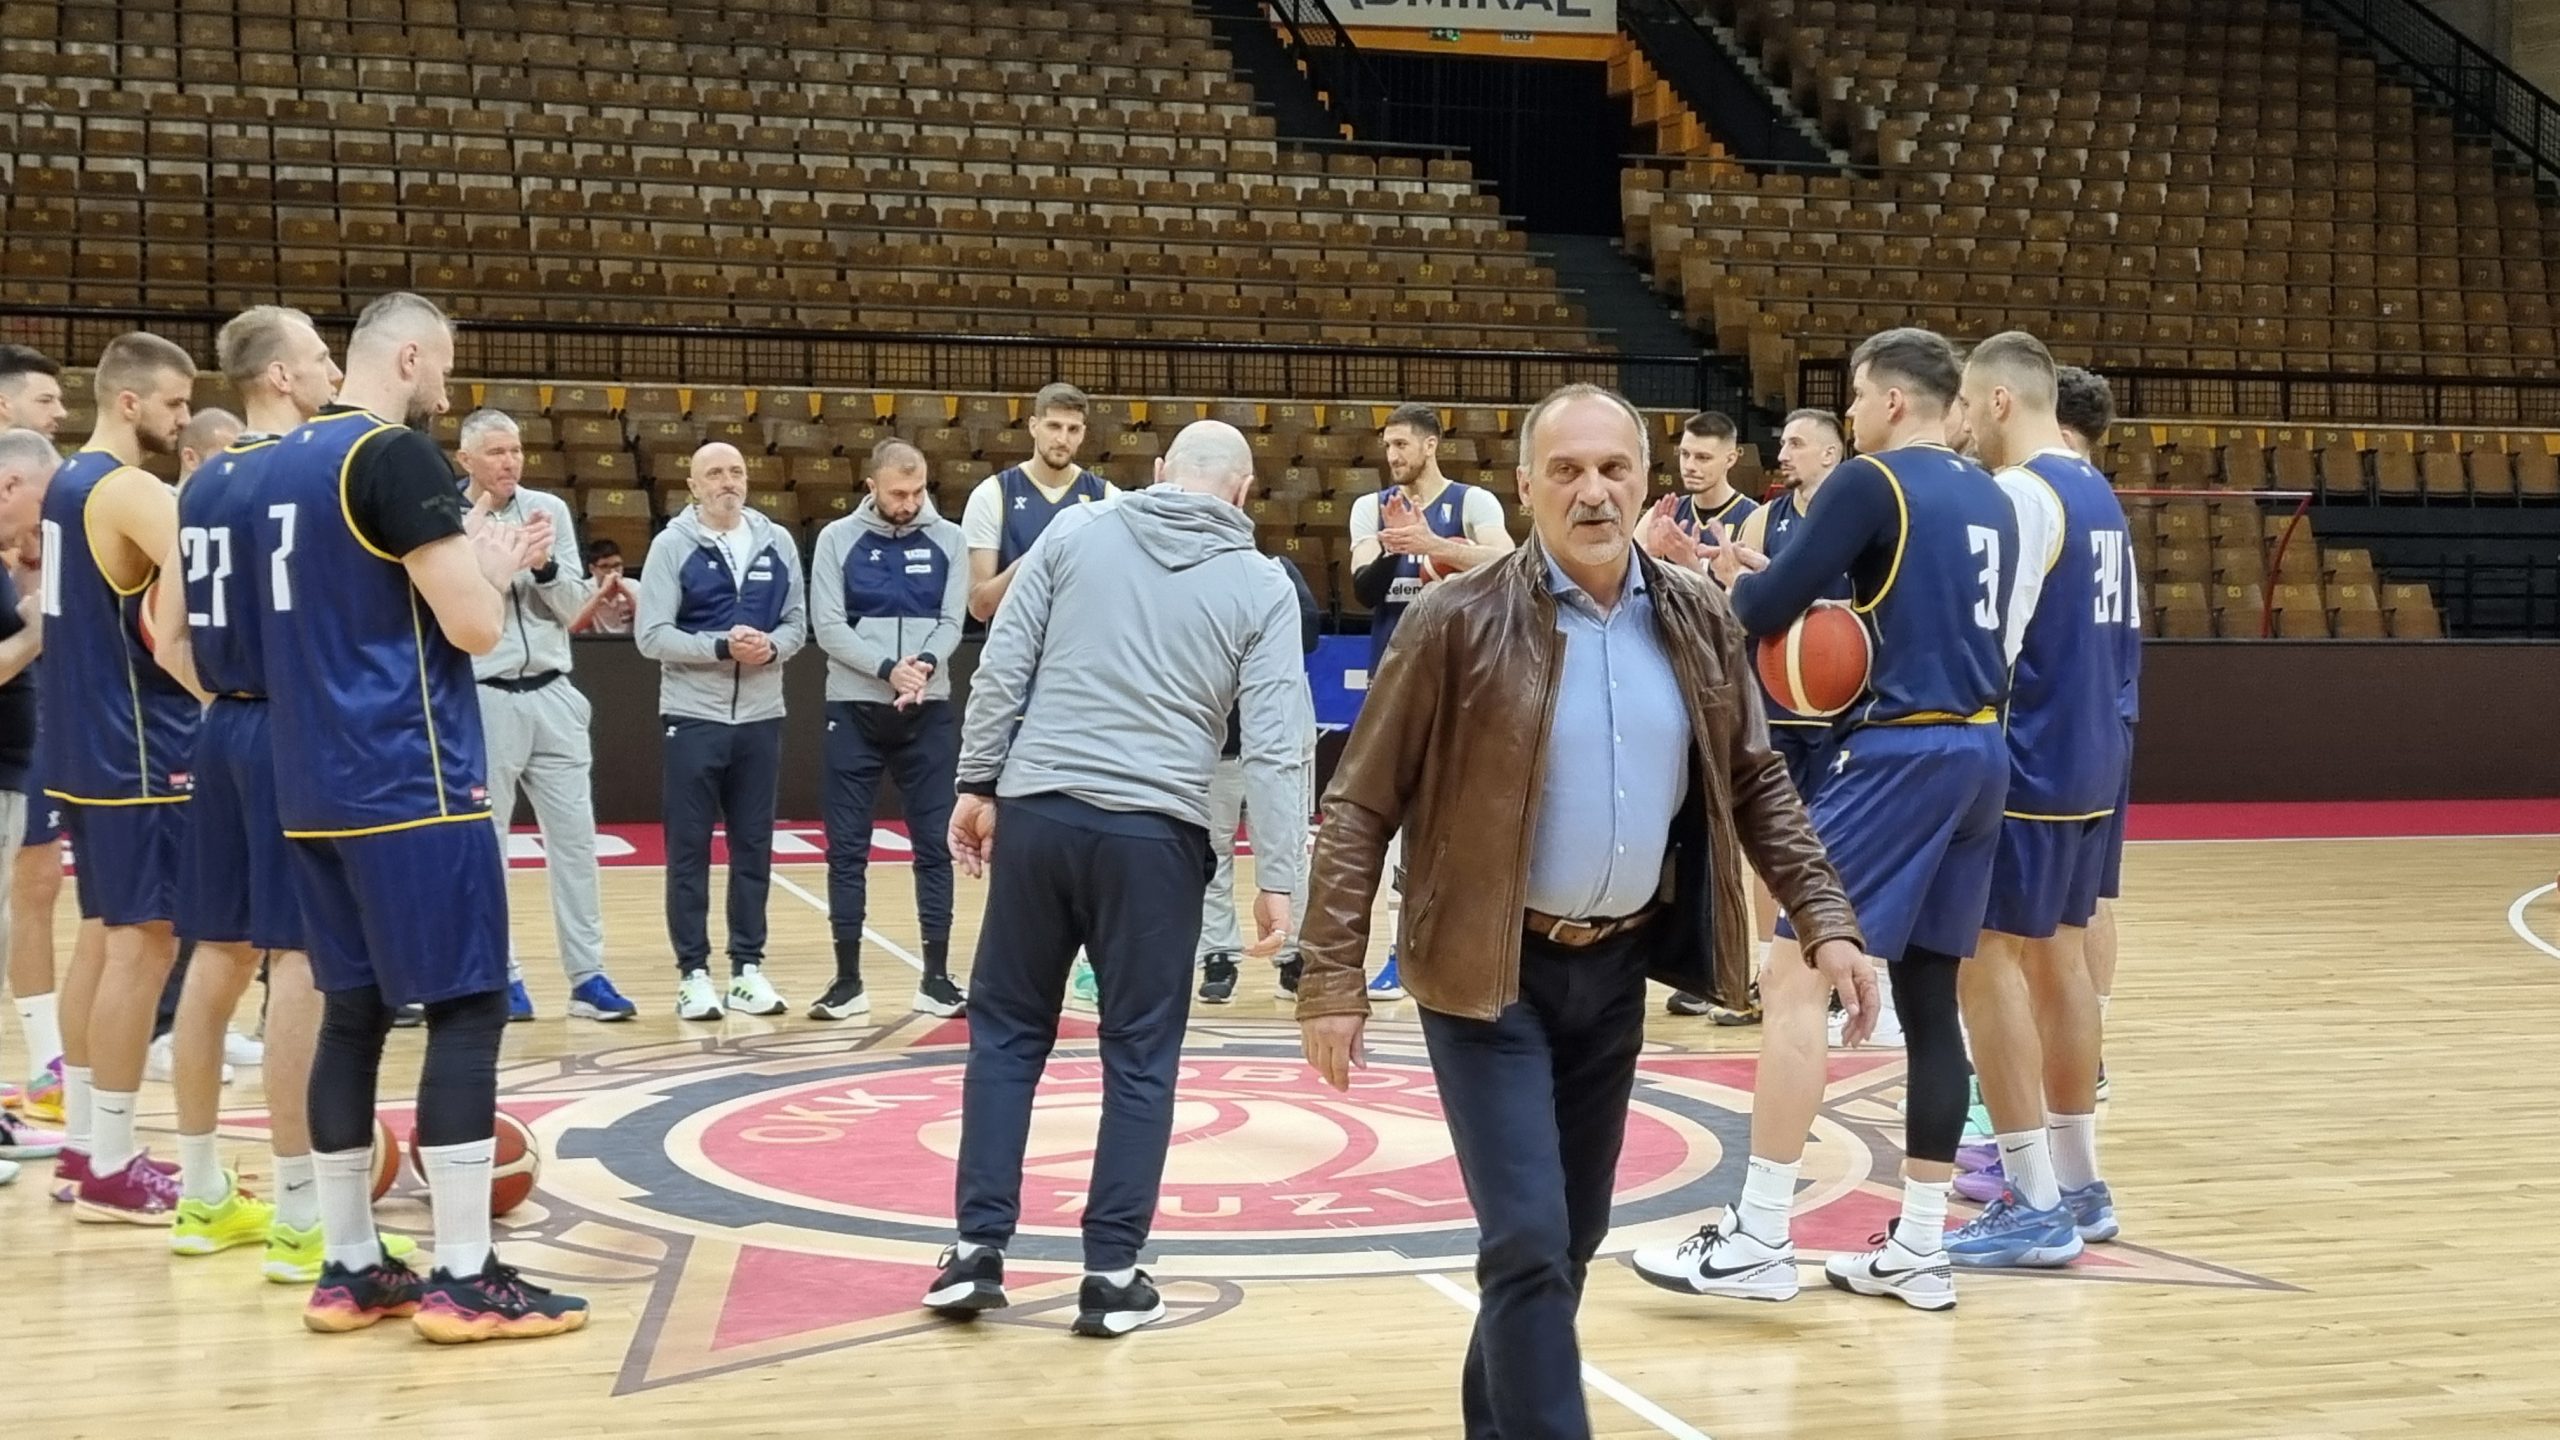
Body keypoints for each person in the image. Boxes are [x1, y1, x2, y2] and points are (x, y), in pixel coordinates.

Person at [1295, 384, 1862, 1440]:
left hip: (1614, 974)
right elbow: (1361, 803)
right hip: (1483, 972)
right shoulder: (1452, 620)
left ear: (1644, 483)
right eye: (1566, 471)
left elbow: (1756, 781)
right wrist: (1331, 978)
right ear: (1525, 488)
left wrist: (1824, 917)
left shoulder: (1698, 615)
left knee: (1565, 1240)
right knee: (1525, 1238)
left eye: (1612, 469)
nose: (1592, 491)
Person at [1635, 327, 2020, 1312]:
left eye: (1853, 396)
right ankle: (1921, 1247)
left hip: (1898, 751)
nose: (1847, 414)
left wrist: (1714, 571)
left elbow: (1764, 608)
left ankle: (1759, 1236)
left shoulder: (1868, 482)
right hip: (1983, 748)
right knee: (1929, 996)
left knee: (1792, 976)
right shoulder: (1992, 494)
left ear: (1891, 400)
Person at [925, 421, 1311, 1339]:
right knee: (1139, 1056)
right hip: (1156, 837)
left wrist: (978, 782)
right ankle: (1110, 1276)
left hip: (1040, 816)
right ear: (1244, 493)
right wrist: (1281, 875)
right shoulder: (1264, 583)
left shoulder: (1074, 529)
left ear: (1160, 472)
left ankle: (977, 1252)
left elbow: (1003, 663)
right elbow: (1276, 744)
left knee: (1006, 1037)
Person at [253, 290, 584, 1340]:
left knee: (351, 1014)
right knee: (468, 1008)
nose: (447, 379)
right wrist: (494, 564)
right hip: (409, 775)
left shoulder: (280, 461)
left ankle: (351, 1265)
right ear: (405, 357)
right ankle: (464, 1275)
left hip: (308, 779)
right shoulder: (392, 457)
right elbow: (476, 627)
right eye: (441, 360)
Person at [148, 307, 356, 1277]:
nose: (331, 372)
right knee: (301, 961)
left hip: (220, 727)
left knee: (217, 956)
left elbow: (168, 640)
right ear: (278, 376)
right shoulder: (308, 471)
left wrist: (227, 702)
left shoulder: (199, 483)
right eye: (318, 356)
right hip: (288, 729)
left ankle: (200, 1195)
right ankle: (304, 1213)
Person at [1932, 332, 2138, 1271]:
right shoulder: (2096, 489)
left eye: (1966, 406)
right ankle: (2080, 1184)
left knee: (1982, 964)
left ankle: (2029, 1198)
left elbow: (1990, 643)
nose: (1963, 425)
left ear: (2000, 401)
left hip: (2029, 758)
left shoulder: (2020, 493)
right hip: (2096, 757)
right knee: (2061, 960)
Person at [41, 331, 201, 1222]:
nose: (184, 419)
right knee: (146, 947)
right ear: (129, 401)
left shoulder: (67, 480)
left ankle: (82, 1144)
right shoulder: (129, 489)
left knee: (104, 941)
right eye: (175, 403)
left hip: (81, 739)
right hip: (139, 746)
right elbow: (208, 578)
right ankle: (110, 1159)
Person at [1658, 409, 1847, 1024]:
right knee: (1771, 846)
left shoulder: (1859, 513)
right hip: (1777, 702)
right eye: (1783, 441)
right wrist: (1698, 571)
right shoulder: (1767, 519)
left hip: (1844, 707)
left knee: (1836, 846)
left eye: (1797, 443)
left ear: (1830, 454)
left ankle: (1841, 967)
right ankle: (1770, 972)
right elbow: (1735, 609)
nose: (1783, 452)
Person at [457, 408, 634, 1024]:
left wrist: (546, 565)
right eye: (496, 452)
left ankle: (588, 977)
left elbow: (572, 608)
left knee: (576, 840)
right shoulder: (449, 518)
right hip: (486, 692)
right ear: (466, 460)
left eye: (515, 450)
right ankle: (502, 974)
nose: (510, 462)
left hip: (555, 689)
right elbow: (452, 605)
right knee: (490, 844)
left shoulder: (548, 511)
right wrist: (491, 565)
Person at [1346, 402, 1514, 1003]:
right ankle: (1398, 953)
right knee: (1392, 824)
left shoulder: (1472, 503)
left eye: (1401, 444)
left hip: (1464, 682)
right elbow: (1364, 589)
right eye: (1387, 445)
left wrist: (1435, 545)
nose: (1391, 455)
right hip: (1394, 682)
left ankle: (1469, 948)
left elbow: (1507, 560)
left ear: (1430, 445)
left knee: (1465, 818)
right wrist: (1400, 544)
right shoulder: (1371, 508)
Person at [961, 382, 1118, 1009]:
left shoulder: (1106, 496)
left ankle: (1090, 963)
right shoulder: (994, 495)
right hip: (1016, 690)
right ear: (1032, 426)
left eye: (1074, 430)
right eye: (1053, 426)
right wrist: (1041, 558)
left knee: (1091, 828)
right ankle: (1019, 972)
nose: (1063, 439)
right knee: (1017, 841)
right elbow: (980, 603)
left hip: (1084, 689)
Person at [638, 442, 807, 1023]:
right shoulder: (672, 546)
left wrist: (772, 647)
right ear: (693, 485)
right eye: (714, 473)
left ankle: (747, 970)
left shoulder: (777, 542)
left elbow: (797, 623)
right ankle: (692, 975)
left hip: (761, 717)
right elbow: (651, 635)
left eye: (736, 471)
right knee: (688, 850)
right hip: (693, 716)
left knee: (753, 846)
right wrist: (719, 647)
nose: (727, 481)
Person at [807, 440, 969, 1021]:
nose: (910, 503)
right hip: (854, 708)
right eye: (899, 493)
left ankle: (936, 979)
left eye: (918, 491)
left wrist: (922, 664)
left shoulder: (950, 539)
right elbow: (827, 626)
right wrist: (885, 669)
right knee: (847, 849)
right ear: (871, 486)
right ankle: (847, 981)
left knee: (935, 846)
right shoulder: (836, 539)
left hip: (928, 708)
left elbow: (953, 620)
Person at [145, 410, 261, 1091]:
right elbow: (161, 634)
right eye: (225, 451)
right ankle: (166, 1030)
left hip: (218, 725)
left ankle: (213, 1023)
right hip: (177, 729)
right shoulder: (173, 524)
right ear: (192, 458)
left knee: (243, 904)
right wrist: (222, 699)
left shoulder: (221, 519)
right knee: (189, 901)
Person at [2055, 365, 2132, 1102]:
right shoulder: (2102, 496)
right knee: (2090, 898)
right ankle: (2092, 1051)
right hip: (2111, 714)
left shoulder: (2049, 493)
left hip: (2063, 721)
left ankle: (2063, 1061)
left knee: (2037, 921)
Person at [1197, 555, 1319, 1005]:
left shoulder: (1278, 571)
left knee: (1289, 851)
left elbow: (1309, 633)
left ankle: (1293, 953)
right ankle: (1218, 954)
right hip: (1218, 743)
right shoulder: (1195, 580)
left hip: (1282, 743)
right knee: (1212, 853)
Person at [0, 348, 69, 1127]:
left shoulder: (28, 519)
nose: (61, 413)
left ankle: (47, 1060)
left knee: (39, 880)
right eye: (47, 401)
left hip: (33, 711)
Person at [1664, 409, 1757, 536]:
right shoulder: (1665, 514)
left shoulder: (1755, 518)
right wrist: (1651, 547)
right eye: (1685, 454)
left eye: (1703, 457)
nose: (1689, 466)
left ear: (1730, 460)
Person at [570, 538, 636, 637]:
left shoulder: (634, 586)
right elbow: (574, 629)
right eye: (605, 566)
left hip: (629, 643)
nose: (612, 572)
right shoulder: (583, 589)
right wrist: (600, 594)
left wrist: (627, 594)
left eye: (617, 565)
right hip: (595, 643)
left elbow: (646, 622)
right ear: (592, 569)